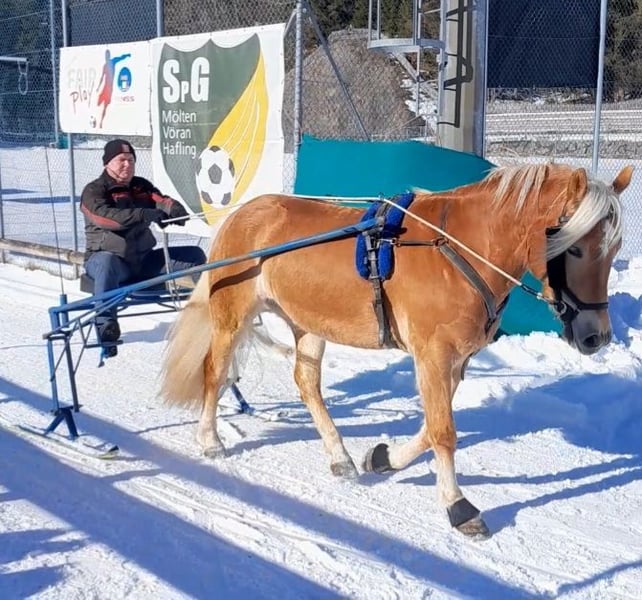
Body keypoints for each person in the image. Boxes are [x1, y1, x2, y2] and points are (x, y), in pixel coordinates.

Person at [80, 138, 207, 356]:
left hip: (143, 261)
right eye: (121, 160)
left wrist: (174, 210)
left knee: (195, 255)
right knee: (106, 261)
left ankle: (206, 313)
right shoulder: (94, 191)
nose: (127, 165)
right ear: (107, 163)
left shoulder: (141, 186)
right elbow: (106, 218)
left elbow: (162, 201)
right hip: (110, 262)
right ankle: (106, 325)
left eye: (131, 160)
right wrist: (143, 214)